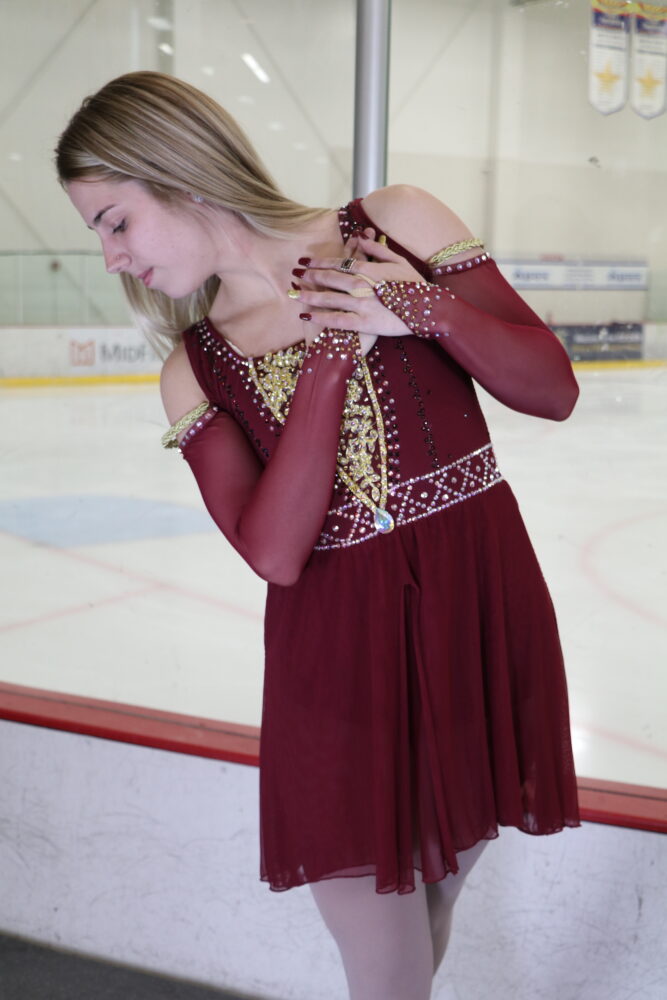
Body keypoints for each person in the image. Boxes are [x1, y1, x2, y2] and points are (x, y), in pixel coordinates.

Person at [56, 71, 581, 1000]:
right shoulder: (195, 368)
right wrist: (334, 354)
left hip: (475, 615)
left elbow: (551, 389)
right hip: (336, 668)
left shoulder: (397, 222)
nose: (109, 258)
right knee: (385, 975)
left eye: (113, 221)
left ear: (174, 172)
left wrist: (418, 308)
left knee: (423, 930)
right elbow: (274, 551)